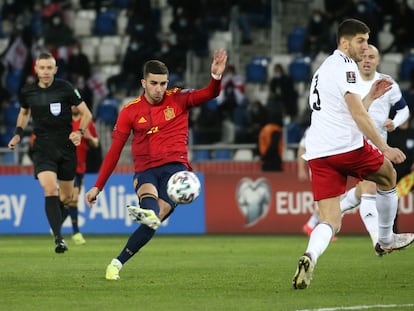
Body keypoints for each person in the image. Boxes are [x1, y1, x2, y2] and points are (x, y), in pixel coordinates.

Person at [292, 19, 414, 290]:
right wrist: (385, 147)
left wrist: (369, 97)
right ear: (344, 42)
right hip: (346, 147)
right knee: (388, 174)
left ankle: (309, 256)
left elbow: (348, 108)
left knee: (331, 221)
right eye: (361, 40)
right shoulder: (347, 66)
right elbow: (357, 115)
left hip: (319, 153)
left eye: (368, 40)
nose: (366, 46)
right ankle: (385, 238)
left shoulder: (324, 68)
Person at [85, 49, 228, 280]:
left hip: (176, 171)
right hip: (146, 170)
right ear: (144, 83)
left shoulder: (179, 99)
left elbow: (210, 93)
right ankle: (128, 245)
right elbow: (114, 152)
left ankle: (117, 263)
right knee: (151, 208)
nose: (159, 88)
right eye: (154, 83)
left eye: (163, 83)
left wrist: (216, 76)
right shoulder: (130, 111)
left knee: (157, 214)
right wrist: (97, 186)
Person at [302, 44, 410, 247]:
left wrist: (394, 123)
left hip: (371, 142)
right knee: (373, 187)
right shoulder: (349, 78)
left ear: (378, 60)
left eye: (372, 56)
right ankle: (380, 240)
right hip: (353, 143)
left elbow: (404, 110)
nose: (367, 59)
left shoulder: (388, 83)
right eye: (365, 56)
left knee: (361, 194)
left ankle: (317, 224)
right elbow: (356, 114)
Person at [8, 52, 92, 253]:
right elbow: (24, 111)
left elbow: (86, 113)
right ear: (36, 69)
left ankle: (58, 221)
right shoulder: (27, 91)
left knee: (66, 197)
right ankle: (59, 239)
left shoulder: (65, 88)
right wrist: (18, 133)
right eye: (42, 68)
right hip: (43, 148)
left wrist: (79, 132)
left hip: (66, 148)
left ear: (55, 69)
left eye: (49, 68)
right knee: (49, 189)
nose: (45, 71)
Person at [60, 105, 99, 245]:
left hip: (81, 166)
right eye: (72, 104)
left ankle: (57, 224)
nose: (74, 106)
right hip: (66, 164)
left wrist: (89, 137)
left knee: (69, 199)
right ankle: (76, 232)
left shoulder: (86, 122)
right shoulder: (65, 122)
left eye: (77, 104)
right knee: (74, 196)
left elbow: (96, 143)